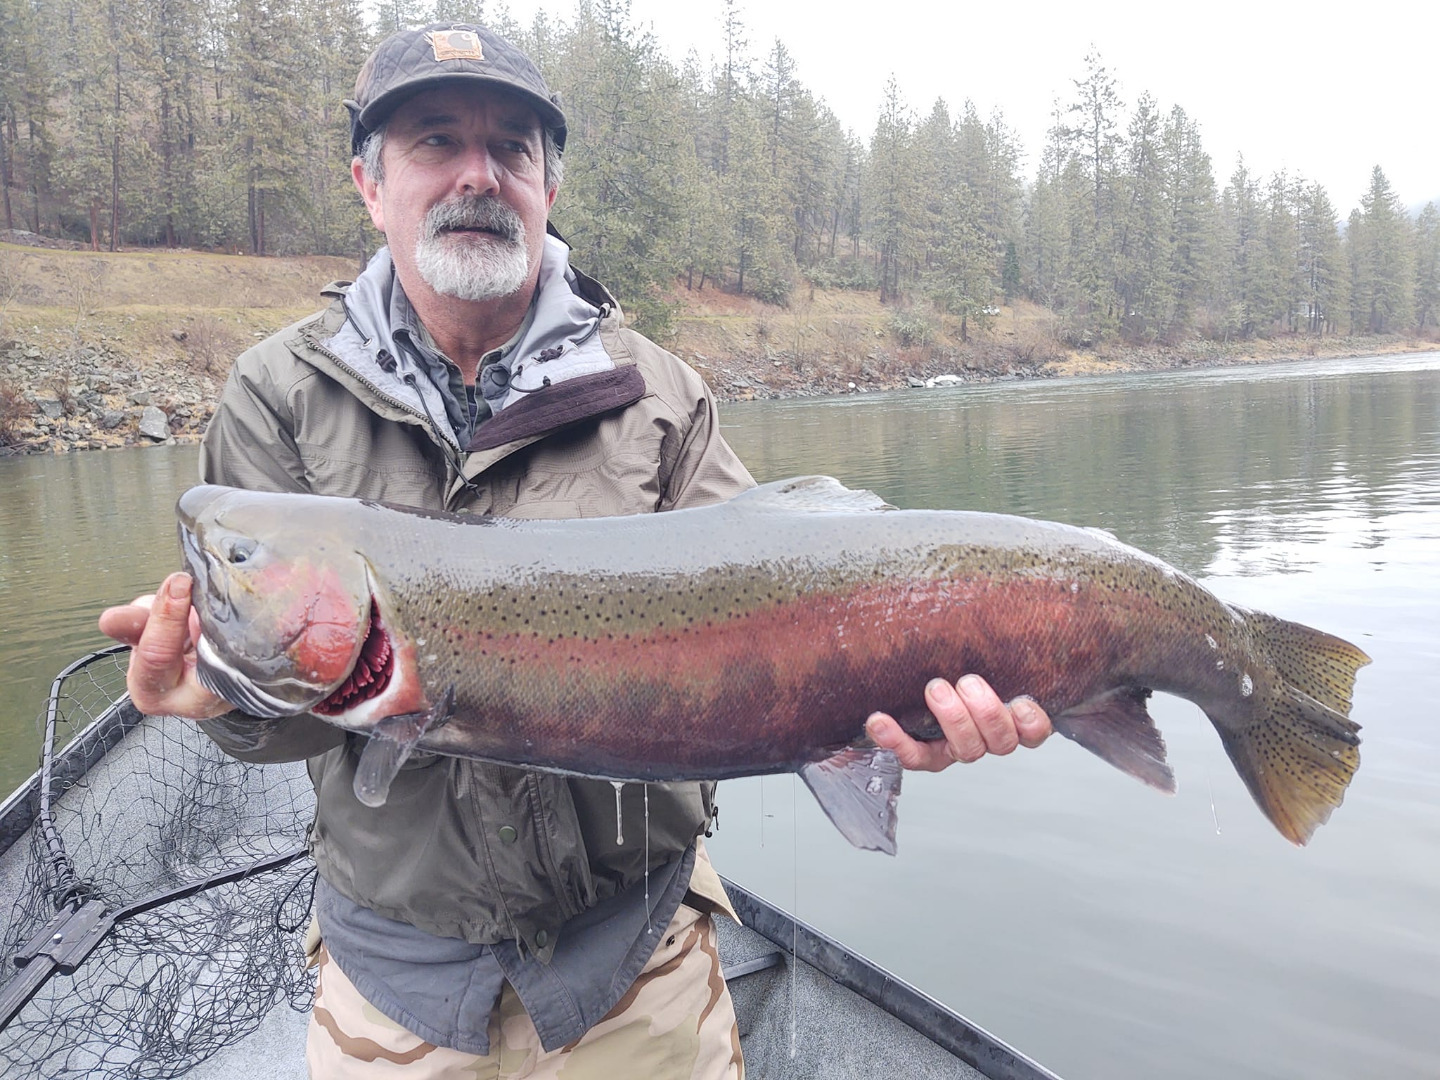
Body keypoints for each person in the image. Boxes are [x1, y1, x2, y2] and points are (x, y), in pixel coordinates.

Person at [98, 22, 1052, 1079]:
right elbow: (296, 711)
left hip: (634, 961)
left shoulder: (661, 394)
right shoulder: (275, 397)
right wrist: (227, 700)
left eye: (513, 147)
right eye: (435, 142)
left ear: (549, 184)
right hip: (393, 977)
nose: (479, 173)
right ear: (369, 185)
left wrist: (886, 713)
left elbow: (774, 634)